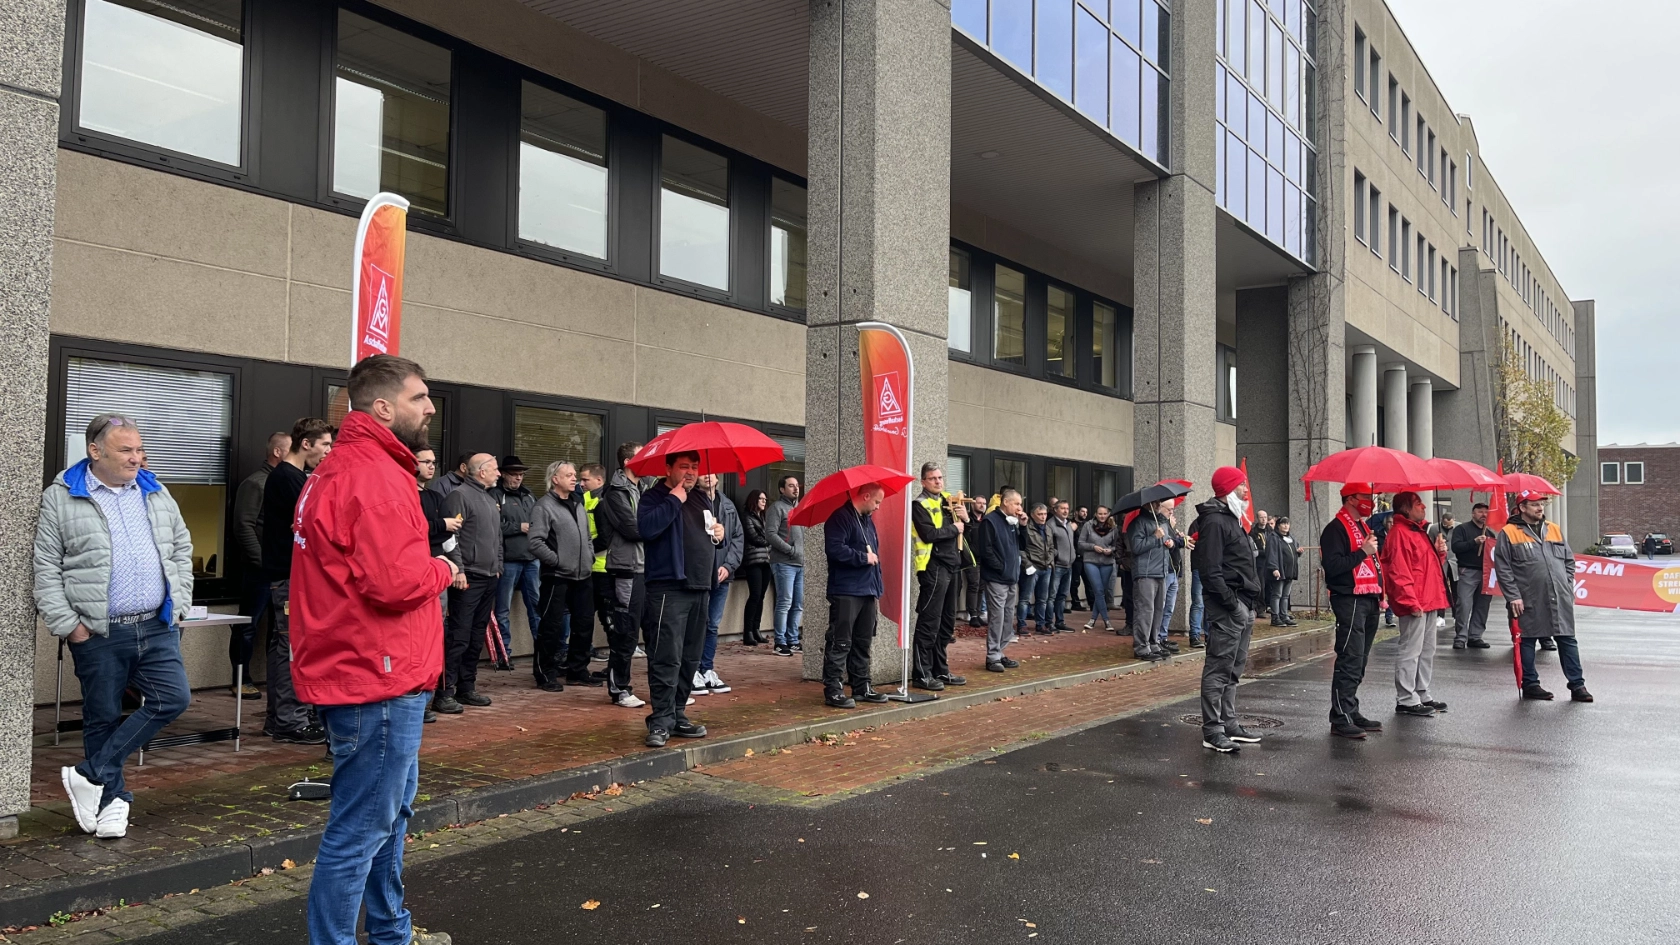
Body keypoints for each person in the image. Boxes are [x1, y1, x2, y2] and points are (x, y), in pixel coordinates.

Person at [289, 354, 458, 945]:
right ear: (383, 407)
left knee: (384, 820)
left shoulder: (343, 468)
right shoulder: (376, 476)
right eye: (419, 397)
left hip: (368, 668)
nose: (430, 407)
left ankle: (391, 932)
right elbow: (394, 583)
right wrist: (443, 568)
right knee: (361, 829)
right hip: (376, 673)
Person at [36, 413, 193, 840]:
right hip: (98, 631)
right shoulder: (63, 496)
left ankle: (91, 773)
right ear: (95, 450)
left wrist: (179, 604)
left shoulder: (155, 491)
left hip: (156, 625)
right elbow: (46, 567)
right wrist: (70, 626)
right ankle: (110, 802)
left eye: (140, 450)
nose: (136, 458)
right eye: (126, 450)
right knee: (102, 716)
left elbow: (181, 548)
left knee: (172, 699)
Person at [637, 451, 725, 747]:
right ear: (668, 468)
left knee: (690, 658)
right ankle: (660, 720)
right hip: (669, 589)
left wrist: (719, 534)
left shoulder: (702, 498)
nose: (690, 472)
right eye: (684, 466)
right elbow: (647, 529)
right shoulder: (654, 497)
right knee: (666, 656)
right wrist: (674, 499)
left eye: (695, 467)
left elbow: (708, 535)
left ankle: (677, 714)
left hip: (701, 587)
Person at [261, 417, 334, 744]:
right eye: (325, 445)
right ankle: (290, 721)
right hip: (289, 576)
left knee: (284, 644)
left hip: (289, 575)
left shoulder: (294, 477)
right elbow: (313, 523)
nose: (328, 451)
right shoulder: (288, 479)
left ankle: (280, 718)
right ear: (306, 444)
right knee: (292, 646)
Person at [1494, 490, 1594, 702]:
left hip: (1559, 596)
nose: (1540, 508)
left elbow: (1568, 561)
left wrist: (1566, 584)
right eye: (1534, 504)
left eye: (1541, 504)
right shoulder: (1509, 533)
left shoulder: (1553, 529)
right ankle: (1530, 684)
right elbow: (1503, 568)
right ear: (1522, 508)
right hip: (1527, 598)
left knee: (1567, 639)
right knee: (1527, 640)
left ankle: (1578, 686)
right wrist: (1513, 596)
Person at [1192, 467, 1264, 753]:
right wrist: (1233, 605)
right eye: (1242, 485)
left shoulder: (1232, 518)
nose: (1246, 491)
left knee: (1233, 669)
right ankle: (1213, 730)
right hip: (1229, 607)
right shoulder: (1214, 522)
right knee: (1219, 669)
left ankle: (1229, 723)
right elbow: (1210, 570)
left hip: (1242, 604)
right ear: (1228, 489)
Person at [436, 454, 503, 713]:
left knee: (476, 636)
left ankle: (467, 687)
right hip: (468, 577)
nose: (499, 473)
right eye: (495, 469)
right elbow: (450, 537)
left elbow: (497, 538)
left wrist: (498, 566)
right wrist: (459, 569)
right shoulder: (459, 496)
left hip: (488, 576)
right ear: (481, 472)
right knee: (459, 635)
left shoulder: (489, 498)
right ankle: (444, 692)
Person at [1322, 483, 1386, 739]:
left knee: (1360, 659)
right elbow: (1333, 566)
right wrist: (1362, 552)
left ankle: (1350, 708)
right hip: (1349, 599)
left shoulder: (1364, 527)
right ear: (1351, 499)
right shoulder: (1335, 529)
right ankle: (1340, 716)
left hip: (1369, 598)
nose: (1371, 502)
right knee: (1350, 657)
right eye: (1366, 497)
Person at [230, 431, 288, 700]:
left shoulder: (284, 482)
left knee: (279, 627)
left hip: (281, 569)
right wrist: (261, 561)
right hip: (260, 570)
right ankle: (240, 679)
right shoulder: (256, 483)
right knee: (248, 624)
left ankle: (275, 679)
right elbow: (243, 526)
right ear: (277, 452)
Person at [1382, 492, 1451, 717]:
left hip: (1427, 599)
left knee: (1426, 650)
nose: (1423, 507)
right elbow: (1398, 571)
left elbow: (1426, 566)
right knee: (1411, 650)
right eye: (1418, 504)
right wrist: (1410, 601)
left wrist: (1440, 554)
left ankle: (1421, 692)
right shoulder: (1400, 533)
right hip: (1417, 601)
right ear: (1406, 508)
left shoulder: (1418, 531)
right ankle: (1406, 697)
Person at [527, 461, 594, 693]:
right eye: (569, 475)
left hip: (583, 575)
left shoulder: (578, 503)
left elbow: (587, 536)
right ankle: (545, 673)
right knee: (551, 626)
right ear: (555, 479)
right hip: (557, 576)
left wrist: (589, 557)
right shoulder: (543, 506)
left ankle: (578, 671)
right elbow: (535, 542)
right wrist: (557, 561)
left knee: (584, 624)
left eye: (575, 475)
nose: (575, 478)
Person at [823, 483, 890, 707]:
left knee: (863, 641)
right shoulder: (840, 518)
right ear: (866, 496)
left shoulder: (866, 521)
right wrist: (863, 558)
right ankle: (833, 689)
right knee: (840, 641)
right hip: (846, 590)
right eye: (877, 502)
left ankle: (862, 685)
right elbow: (834, 549)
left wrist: (876, 586)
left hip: (867, 589)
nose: (878, 507)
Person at [597, 444, 648, 709]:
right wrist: (658, 525)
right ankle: (620, 689)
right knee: (625, 630)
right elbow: (633, 528)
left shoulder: (645, 489)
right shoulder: (615, 493)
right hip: (626, 568)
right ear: (628, 461)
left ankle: (663, 689)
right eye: (642, 455)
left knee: (653, 631)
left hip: (648, 568)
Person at [910, 463, 965, 691]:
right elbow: (929, 534)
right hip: (933, 567)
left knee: (946, 623)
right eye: (932, 478)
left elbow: (963, 532)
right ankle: (921, 673)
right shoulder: (919, 504)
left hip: (952, 566)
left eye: (940, 477)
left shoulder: (948, 501)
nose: (938, 481)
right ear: (923, 481)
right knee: (929, 621)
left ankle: (940, 669)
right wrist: (955, 528)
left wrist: (966, 520)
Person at [414, 447, 458, 724]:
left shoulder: (434, 496)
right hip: (415, 570)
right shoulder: (406, 494)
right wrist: (441, 523)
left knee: (435, 633)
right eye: (426, 461)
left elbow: (446, 536)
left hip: (437, 569)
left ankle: (429, 697)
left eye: (434, 462)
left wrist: (454, 564)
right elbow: (411, 529)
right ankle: (415, 699)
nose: (431, 466)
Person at [695, 474, 742, 695]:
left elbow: (737, 539)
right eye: (702, 472)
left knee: (713, 624)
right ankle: (693, 669)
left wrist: (728, 566)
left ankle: (707, 668)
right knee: (698, 624)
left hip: (722, 575)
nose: (707, 476)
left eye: (711, 473)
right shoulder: (691, 502)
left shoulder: (728, 505)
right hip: (699, 575)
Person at [490, 455, 539, 672]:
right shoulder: (494, 495)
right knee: (502, 609)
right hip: (508, 560)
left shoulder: (529, 495)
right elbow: (492, 525)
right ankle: (504, 655)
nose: (518, 478)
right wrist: (519, 527)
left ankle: (543, 652)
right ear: (503, 474)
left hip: (532, 560)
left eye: (521, 475)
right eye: (514, 474)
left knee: (536, 608)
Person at [980, 488, 1025, 672]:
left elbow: (1023, 546)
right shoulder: (990, 521)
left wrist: (1023, 526)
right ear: (1006, 502)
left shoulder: (1012, 522)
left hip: (1011, 578)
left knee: (1008, 617)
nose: (1020, 508)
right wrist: (1001, 567)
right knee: (997, 617)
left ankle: (1000, 651)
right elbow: (985, 550)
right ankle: (992, 656)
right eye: (1017, 504)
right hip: (997, 578)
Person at [1128, 499, 1175, 661]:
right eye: (1155, 503)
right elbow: (1136, 547)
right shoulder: (1138, 523)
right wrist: (1155, 537)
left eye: (1159, 503)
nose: (1158, 505)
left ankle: (1154, 642)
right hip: (1145, 572)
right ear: (1147, 504)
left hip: (1161, 571)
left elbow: (1168, 543)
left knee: (1158, 610)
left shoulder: (1162, 522)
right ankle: (1142, 646)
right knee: (1145, 610)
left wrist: (1170, 542)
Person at [766, 474, 806, 656]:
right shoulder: (776, 508)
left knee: (798, 603)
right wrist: (790, 550)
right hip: (783, 563)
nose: (796, 488)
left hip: (800, 564)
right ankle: (780, 642)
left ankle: (793, 639)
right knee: (785, 602)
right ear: (782, 489)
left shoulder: (800, 508)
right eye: (791, 485)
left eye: (797, 485)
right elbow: (770, 534)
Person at [1449, 503, 1495, 650]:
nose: (1484, 515)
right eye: (1480, 512)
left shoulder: (1490, 533)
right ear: (1473, 513)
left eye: (1486, 512)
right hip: (1468, 571)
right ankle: (1461, 637)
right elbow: (1456, 547)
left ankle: (1475, 636)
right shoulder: (1462, 529)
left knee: (1482, 606)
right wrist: (1473, 542)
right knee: (1464, 604)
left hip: (1486, 573)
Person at [738, 489, 773, 647]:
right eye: (761, 499)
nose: (764, 501)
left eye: (765, 499)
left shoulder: (764, 517)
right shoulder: (747, 517)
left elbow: (768, 535)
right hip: (753, 561)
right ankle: (748, 632)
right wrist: (770, 539)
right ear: (754, 500)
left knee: (761, 596)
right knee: (755, 595)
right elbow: (754, 538)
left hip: (766, 560)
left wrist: (769, 539)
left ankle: (756, 629)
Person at [1153, 501, 1187, 652]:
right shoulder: (1159, 523)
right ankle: (1156, 638)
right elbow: (1168, 543)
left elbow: (1173, 541)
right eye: (1170, 509)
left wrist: (1177, 536)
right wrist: (1180, 540)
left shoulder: (1168, 525)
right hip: (1165, 570)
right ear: (1161, 508)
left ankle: (1163, 636)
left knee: (1169, 608)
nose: (1172, 512)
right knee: (1161, 606)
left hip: (1174, 570)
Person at [1077, 506, 1118, 631]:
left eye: (1105, 513)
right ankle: (1107, 621)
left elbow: (1117, 545)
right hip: (1091, 561)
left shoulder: (1113, 527)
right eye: (1100, 514)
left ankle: (1092, 620)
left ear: (1108, 514)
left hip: (1107, 562)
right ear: (1095, 514)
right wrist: (1093, 547)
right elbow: (1080, 543)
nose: (1102, 516)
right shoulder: (1088, 525)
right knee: (1098, 590)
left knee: (1100, 592)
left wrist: (1110, 550)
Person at [1018, 503, 1055, 635]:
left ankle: (1041, 624)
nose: (1043, 517)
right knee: (1025, 598)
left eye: (1045, 514)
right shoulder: (1026, 528)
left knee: (1042, 599)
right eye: (1040, 514)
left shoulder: (1048, 528)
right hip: (1032, 566)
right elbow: (1021, 549)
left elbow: (1051, 547)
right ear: (1033, 515)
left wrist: (1050, 561)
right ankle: (1022, 624)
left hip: (1046, 567)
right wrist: (1027, 564)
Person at [1264, 516, 1301, 626]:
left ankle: (1284, 615)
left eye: (1287, 524)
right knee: (1277, 594)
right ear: (1278, 526)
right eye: (1283, 523)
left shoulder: (1291, 538)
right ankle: (1275, 617)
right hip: (1279, 570)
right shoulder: (1273, 538)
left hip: (1289, 571)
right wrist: (1274, 568)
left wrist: (1298, 552)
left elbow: (1293, 552)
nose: (1286, 526)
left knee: (1285, 595)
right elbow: (1271, 554)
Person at [1048, 500, 1078, 632]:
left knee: (1062, 596)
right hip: (1057, 565)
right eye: (1062, 508)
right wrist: (1056, 556)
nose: (1066, 511)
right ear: (1055, 510)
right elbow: (1049, 545)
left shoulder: (1068, 524)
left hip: (1068, 565)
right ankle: (1049, 622)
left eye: (1067, 508)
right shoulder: (1051, 525)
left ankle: (1060, 621)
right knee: (1052, 596)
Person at [963, 498, 989, 627]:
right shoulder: (967, 519)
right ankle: (972, 615)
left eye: (984, 503)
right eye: (979, 503)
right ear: (973, 504)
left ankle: (978, 614)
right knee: (974, 584)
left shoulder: (987, 520)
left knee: (981, 587)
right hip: (972, 558)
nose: (982, 505)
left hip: (984, 558)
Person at [1251, 510, 1272, 620]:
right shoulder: (1253, 532)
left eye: (1265, 517)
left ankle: (1270, 606)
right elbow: (1254, 549)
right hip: (1260, 562)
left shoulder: (1271, 531)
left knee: (1270, 585)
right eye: (1261, 517)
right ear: (1257, 518)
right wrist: (1264, 552)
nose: (1264, 519)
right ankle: (1260, 608)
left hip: (1270, 561)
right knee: (1261, 586)